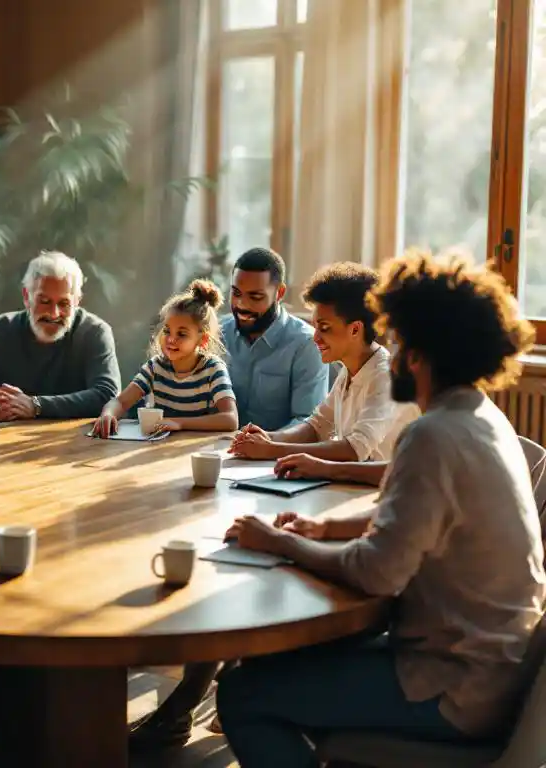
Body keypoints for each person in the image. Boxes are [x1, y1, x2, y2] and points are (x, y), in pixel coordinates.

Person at [216, 250, 545, 768]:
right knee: (288, 662)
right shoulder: (483, 418)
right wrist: (323, 526)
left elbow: (377, 572)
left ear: (419, 352)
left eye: (397, 338)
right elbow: (406, 510)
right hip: (499, 669)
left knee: (242, 695)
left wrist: (283, 543)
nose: (390, 350)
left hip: (453, 686)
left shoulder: (432, 434)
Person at [230, 263, 419, 486]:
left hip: (381, 498)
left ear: (355, 329)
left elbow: (354, 449)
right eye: (315, 327)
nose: (315, 337)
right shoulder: (349, 369)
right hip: (352, 491)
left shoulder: (385, 375)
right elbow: (317, 426)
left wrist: (272, 449)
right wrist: (267, 437)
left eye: (325, 328)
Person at [0, 251, 121, 420]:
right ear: (26, 296)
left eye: (64, 303)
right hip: (7, 438)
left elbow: (107, 395)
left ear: (77, 301)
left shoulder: (95, 332)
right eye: (44, 301)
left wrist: (36, 406)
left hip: (78, 441)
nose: (54, 314)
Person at [93, 279, 237, 436]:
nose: (171, 339)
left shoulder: (213, 369)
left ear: (202, 340)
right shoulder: (156, 367)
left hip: (195, 449)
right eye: (168, 331)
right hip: (160, 447)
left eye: (182, 334)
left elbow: (230, 419)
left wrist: (179, 423)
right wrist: (108, 414)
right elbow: (120, 402)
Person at [220, 247, 328, 430]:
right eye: (236, 293)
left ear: (279, 293)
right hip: (212, 449)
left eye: (255, 297)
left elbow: (308, 421)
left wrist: (267, 443)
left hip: (276, 454)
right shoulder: (217, 334)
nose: (241, 305)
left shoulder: (306, 345)